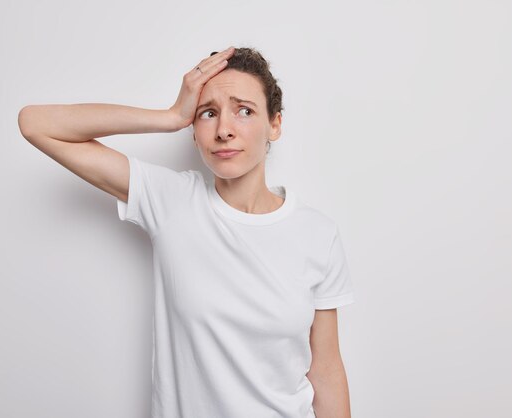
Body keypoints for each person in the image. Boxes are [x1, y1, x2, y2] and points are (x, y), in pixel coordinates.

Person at [18, 46, 355, 418]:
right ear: (194, 131)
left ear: (274, 124)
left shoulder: (316, 233)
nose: (224, 129)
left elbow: (325, 371)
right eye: (208, 113)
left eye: (244, 110)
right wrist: (170, 116)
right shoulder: (172, 201)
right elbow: (36, 123)